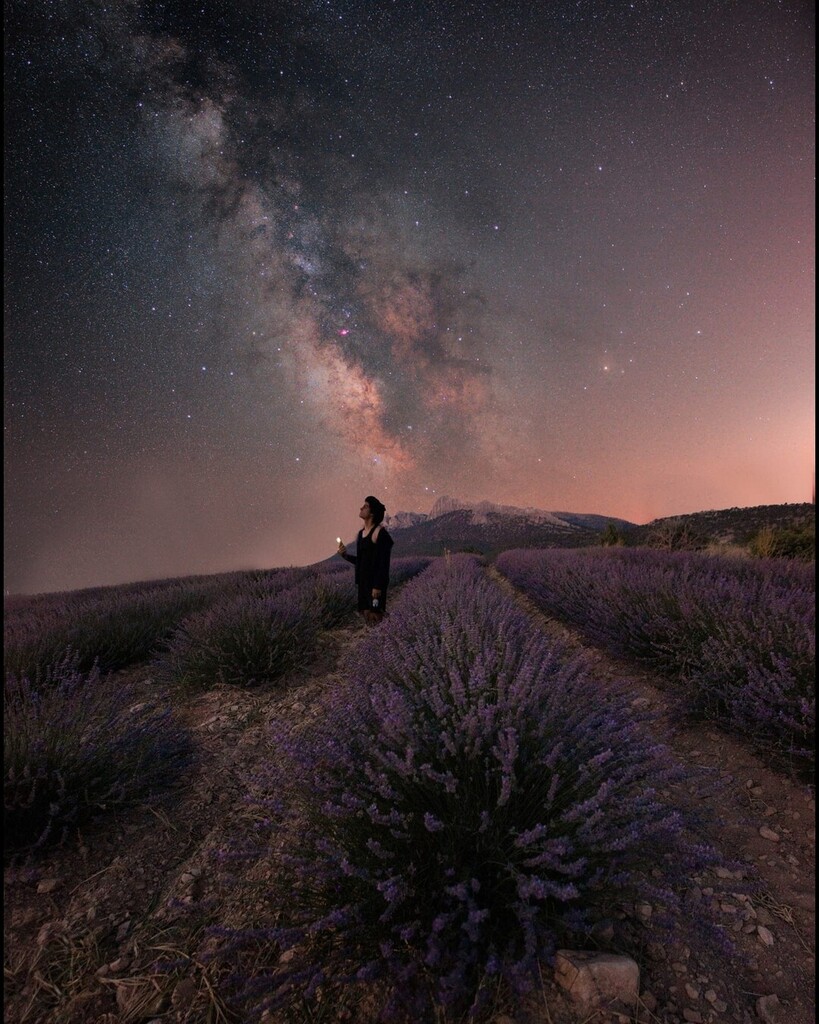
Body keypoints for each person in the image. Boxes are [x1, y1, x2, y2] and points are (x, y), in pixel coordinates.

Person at [337, 495, 394, 624]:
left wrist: (377, 586)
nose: (361, 508)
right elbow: (361, 561)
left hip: (375, 586)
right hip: (363, 584)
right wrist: (345, 556)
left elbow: (384, 564)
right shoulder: (361, 534)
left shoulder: (380, 533)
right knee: (367, 616)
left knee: (377, 617)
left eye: (366, 506)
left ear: (372, 513)